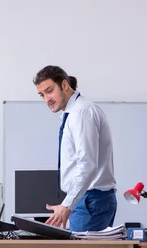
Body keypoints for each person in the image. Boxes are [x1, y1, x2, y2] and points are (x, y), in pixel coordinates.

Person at [33, 65, 117, 232]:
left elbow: (87, 165)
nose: (46, 99)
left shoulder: (82, 112)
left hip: (90, 200)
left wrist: (67, 205)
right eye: (42, 95)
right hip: (85, 199)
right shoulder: (72, 113)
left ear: (64, 85)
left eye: (49, 91)